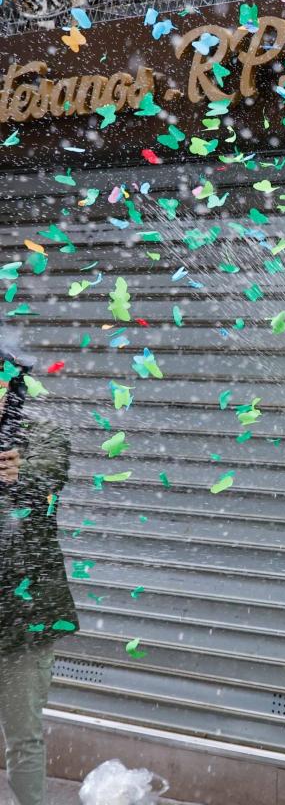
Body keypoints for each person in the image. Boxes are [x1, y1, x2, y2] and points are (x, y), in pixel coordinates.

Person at [0, 339, 71, 805]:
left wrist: (16, 477)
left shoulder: (44, 436)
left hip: (23, 616)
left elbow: (46, 482)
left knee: (23, 737)